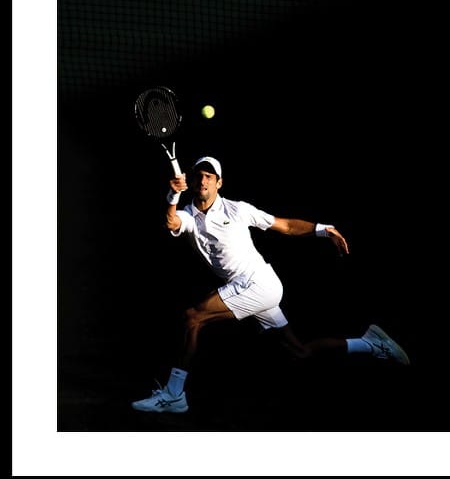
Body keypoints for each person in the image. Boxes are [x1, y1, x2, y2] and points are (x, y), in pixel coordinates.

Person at [132, 156, 409, 413]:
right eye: (199, 175)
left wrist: (323, 229)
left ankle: (174, 394)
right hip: (248, 288)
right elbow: (172, 222)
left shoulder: (238, 210)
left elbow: (284, 225)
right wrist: (173, 195)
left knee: (193, 318)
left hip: (259, 283)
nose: (203, 180)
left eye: (209, 176)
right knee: (299, 352)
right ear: (192, 180)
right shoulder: (189, 215)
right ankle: (371, 344)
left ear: (219, 183)